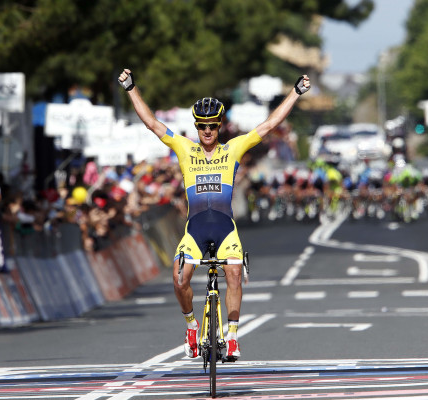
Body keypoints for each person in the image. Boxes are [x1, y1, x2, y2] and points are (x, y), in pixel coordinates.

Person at [118, 68, 310, 360]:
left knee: (234, 272)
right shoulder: (185, 149)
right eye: (202, 126)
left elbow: (270, 124)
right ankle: (192, 327)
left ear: (220, 125)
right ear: (196, 127)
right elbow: (152, 124)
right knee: (180, 278)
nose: (207, 131)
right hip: (195, 229)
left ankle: (232, 336)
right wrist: (131, 87)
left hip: (224, 229)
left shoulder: (233, 149)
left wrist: (295, 92)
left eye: (212, 125)